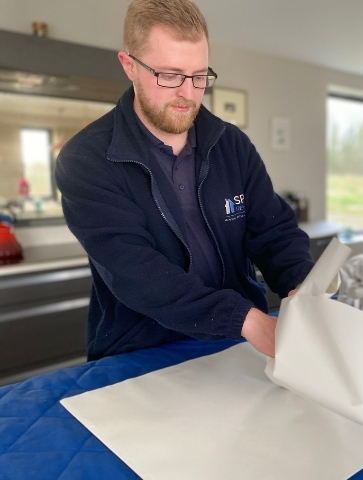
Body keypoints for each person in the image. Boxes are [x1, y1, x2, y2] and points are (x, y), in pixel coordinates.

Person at [55, 0, 314, 361]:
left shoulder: (232, 144)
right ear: (129, 66)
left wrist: (302, 282)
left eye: (199, 76)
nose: (188, 93)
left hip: (233, 342)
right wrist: (245, 319)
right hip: (142, 350)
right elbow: (136, 273)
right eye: (170, 75)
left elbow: (275, 232)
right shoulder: (87, 159)